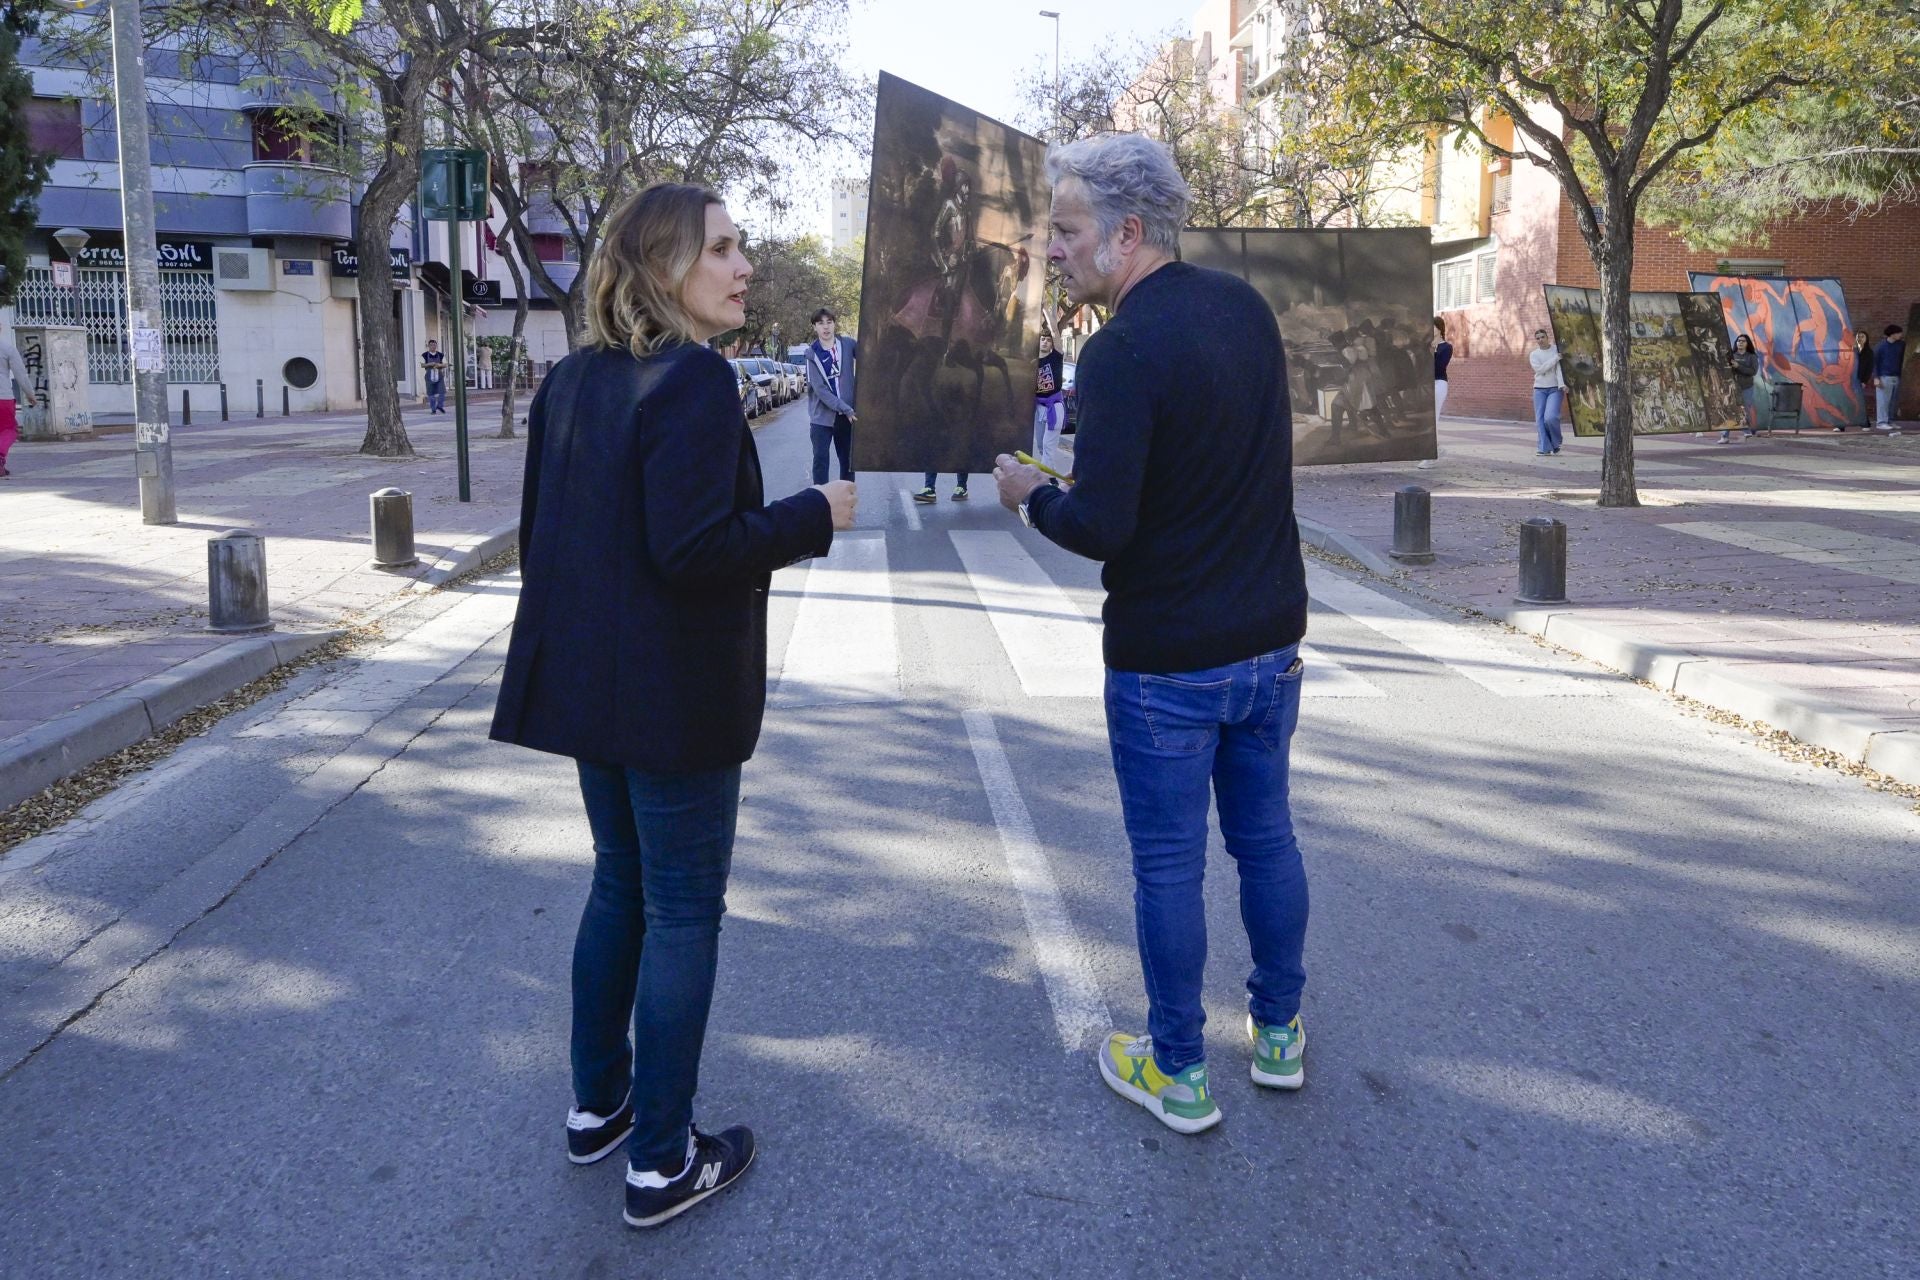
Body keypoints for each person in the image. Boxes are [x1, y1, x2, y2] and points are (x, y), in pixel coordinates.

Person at [488, 183, 857, 1229]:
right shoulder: (693, 380)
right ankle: (662, 1157)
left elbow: (544, 539)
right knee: (683, 907)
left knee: (620, 887)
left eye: (742, 248)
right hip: (675, 697)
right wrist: (812, 512)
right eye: (724, 249)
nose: (744, 267)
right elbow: (695, 549)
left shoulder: (571, 382)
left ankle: (598, 1103)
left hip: (589, 690)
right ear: (663, 270)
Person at [993, 132, 1310, 1136]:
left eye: (1069, 229)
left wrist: (1029, 498)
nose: (1054, 248)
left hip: (1168, 656)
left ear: (1129, 234)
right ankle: (1280, 1034)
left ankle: (1178, 1069)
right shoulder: (1247, 310)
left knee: (1169, 862)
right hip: (1271, 641)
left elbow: (1100, 526)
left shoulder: (1122, 349)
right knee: (1266, 841)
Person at [805, 308, 857, 483]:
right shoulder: (812, 354)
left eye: (829, 322)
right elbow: (820, 390)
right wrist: (845, 408)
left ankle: (847, 504)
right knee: (820, 462)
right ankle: (821, 504)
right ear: (814, 327)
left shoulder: (848, 345)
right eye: (820, 323)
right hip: (822, 419)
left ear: (834, 324)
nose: (825, 327)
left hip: (847, 417)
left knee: (848, 463)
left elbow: (871, 357)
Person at [1420, 316, 1451, 469]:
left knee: (1434, 418)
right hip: (1426, 384)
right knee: (1426, 418)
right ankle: (1437, 449)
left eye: (1432, 326)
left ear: (1439, 328)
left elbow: (1439, 366)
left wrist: (1432, 350)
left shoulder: (1446, 347)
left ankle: (1430, 455)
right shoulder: (1425, 346)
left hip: (1439, 383)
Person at [0, 324, 31, 479]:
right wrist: (30, 395)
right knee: (9, 430)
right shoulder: (7, 348)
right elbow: (21, 375)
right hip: (3, 397)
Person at [1528, 328, 1565, 455]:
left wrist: (1562, 384)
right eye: (1537, 338)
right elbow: (1540, 370)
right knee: (1540, 419)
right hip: (1539, 389)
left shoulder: (1556, 350)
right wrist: (1555, 359)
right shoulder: (1534, 354)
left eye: (1542, 337)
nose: (1540, 340)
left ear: (1547, 337)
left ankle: (1556, 442)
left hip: (1555, 388)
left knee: (1550, 417)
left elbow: (1559, 369)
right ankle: (1544, 448)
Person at [1034, 328, 1067, 470]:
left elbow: (1055, 333)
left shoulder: (1055, 358)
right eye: (1042, 339)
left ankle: (1044, 478)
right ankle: (1051, 477)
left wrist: (1046, 309)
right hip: (1039, 406)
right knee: (1041, 445)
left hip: (1054, 405)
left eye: (1048, 340)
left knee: (1048, 445)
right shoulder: (1031, 363)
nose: (1045, 342)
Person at [1721, 334, 1760, 443]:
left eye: (1743, 341)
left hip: (1746, 387)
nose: (1740, 343)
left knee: (1744, 409)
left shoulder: (1751, 356)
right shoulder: (1731, 355)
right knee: (1729, 409)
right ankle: (1724, 436)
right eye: (1738, 341)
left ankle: (1747, 431)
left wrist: (1738, 366)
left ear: (1747, 344)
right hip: (1732, 387)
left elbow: (1753, 371)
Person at [1873, 323, 1905, 436]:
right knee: (1883, 400)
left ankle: (1890, 420)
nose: (1901, 335)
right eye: (1898, 333)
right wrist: (1876, 378)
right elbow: (1874, 362)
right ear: (1892, 334)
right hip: (1884, 376)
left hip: (1896, 376)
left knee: (1893, 402)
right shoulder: (1881, 346)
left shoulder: (1901, 345)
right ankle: (1881, 422)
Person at [1848, 330, 1873, 431]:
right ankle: (1841, 425)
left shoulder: (1869, 352)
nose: (1860, 338)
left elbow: (1869, 368)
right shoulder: (1853, 351)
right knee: (1846, 401)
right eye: (1858, 336)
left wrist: (1864, 381)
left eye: (1862, 336)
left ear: (1866, 339)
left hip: (1860, 380)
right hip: (1850, 379)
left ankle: (1865, 423)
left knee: (1859, 402)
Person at [421, 339, 447, 414]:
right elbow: (422, 365)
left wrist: (439, 365)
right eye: (431, 345)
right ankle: (433, 409)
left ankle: (439, 405)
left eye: (434, 345)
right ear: (428, 346)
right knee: (431, 394)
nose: (433, 347)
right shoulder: (424, 355)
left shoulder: (441, 355)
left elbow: (445, 364)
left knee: (442, 392)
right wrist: (430, 364)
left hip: (439, 376)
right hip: (429, 376)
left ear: (436, 346)